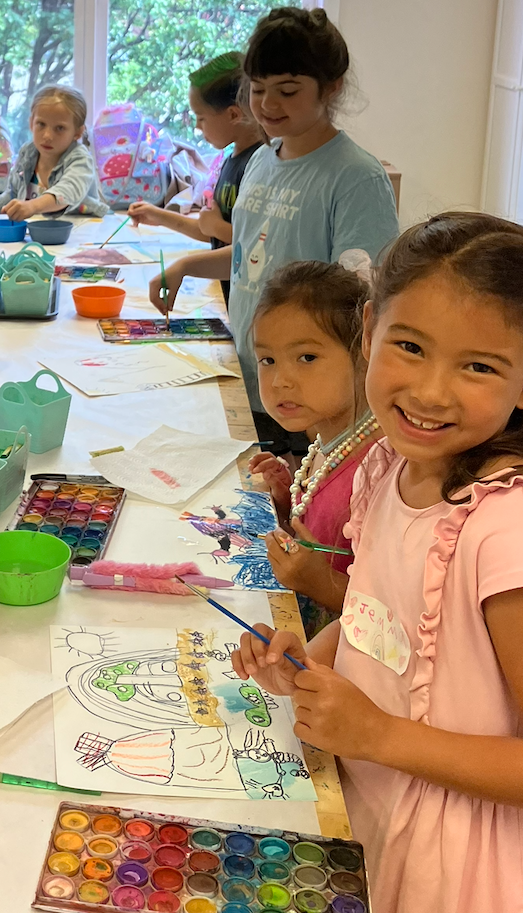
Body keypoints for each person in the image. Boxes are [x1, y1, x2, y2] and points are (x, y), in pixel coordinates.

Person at [233, 211, 523, 911]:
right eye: (409, 346)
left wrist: (381, 733)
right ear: (368, 332)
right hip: (359, 804)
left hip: (449, 863)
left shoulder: (502, 530)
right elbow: (372, 618)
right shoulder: (384, 466)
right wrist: (308, 658)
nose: (428, 390)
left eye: (478, 366)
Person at [150, 8, 398, 454]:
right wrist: (186, 266)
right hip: (249, 373)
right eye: (258, 89)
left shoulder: (356, 177)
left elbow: (361, 302)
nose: (266, 105)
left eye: (287, 90)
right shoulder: (262, 160)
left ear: (332, 87)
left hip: (307, 398)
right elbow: (252, 255)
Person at [248, 260, 378, 637]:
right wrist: (285, 501)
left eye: (306, 358)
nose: (280, 381)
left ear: (363, 351)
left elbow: (395, 614)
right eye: (267, 360)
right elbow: (319, 533)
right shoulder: (326, 441)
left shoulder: (380, 469)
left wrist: (319, 584)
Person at [128, 52, 262, 303]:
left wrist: (216, 228)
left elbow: (262, 245)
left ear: (234, 115)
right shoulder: (231, 158)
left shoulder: (260, 165)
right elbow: (212, 231)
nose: (197, 128)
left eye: (201, 118)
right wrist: (160, 216)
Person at [0, 85, 109, 221]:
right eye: (41, 124)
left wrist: (32, 206)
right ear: (31, 123)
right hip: (35, 235)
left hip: (80, 234)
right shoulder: (28, 153)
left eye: (59, 128)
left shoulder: (80, 158)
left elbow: (67, 192)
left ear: (77, 132)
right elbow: (12, 196)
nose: (47, 136)